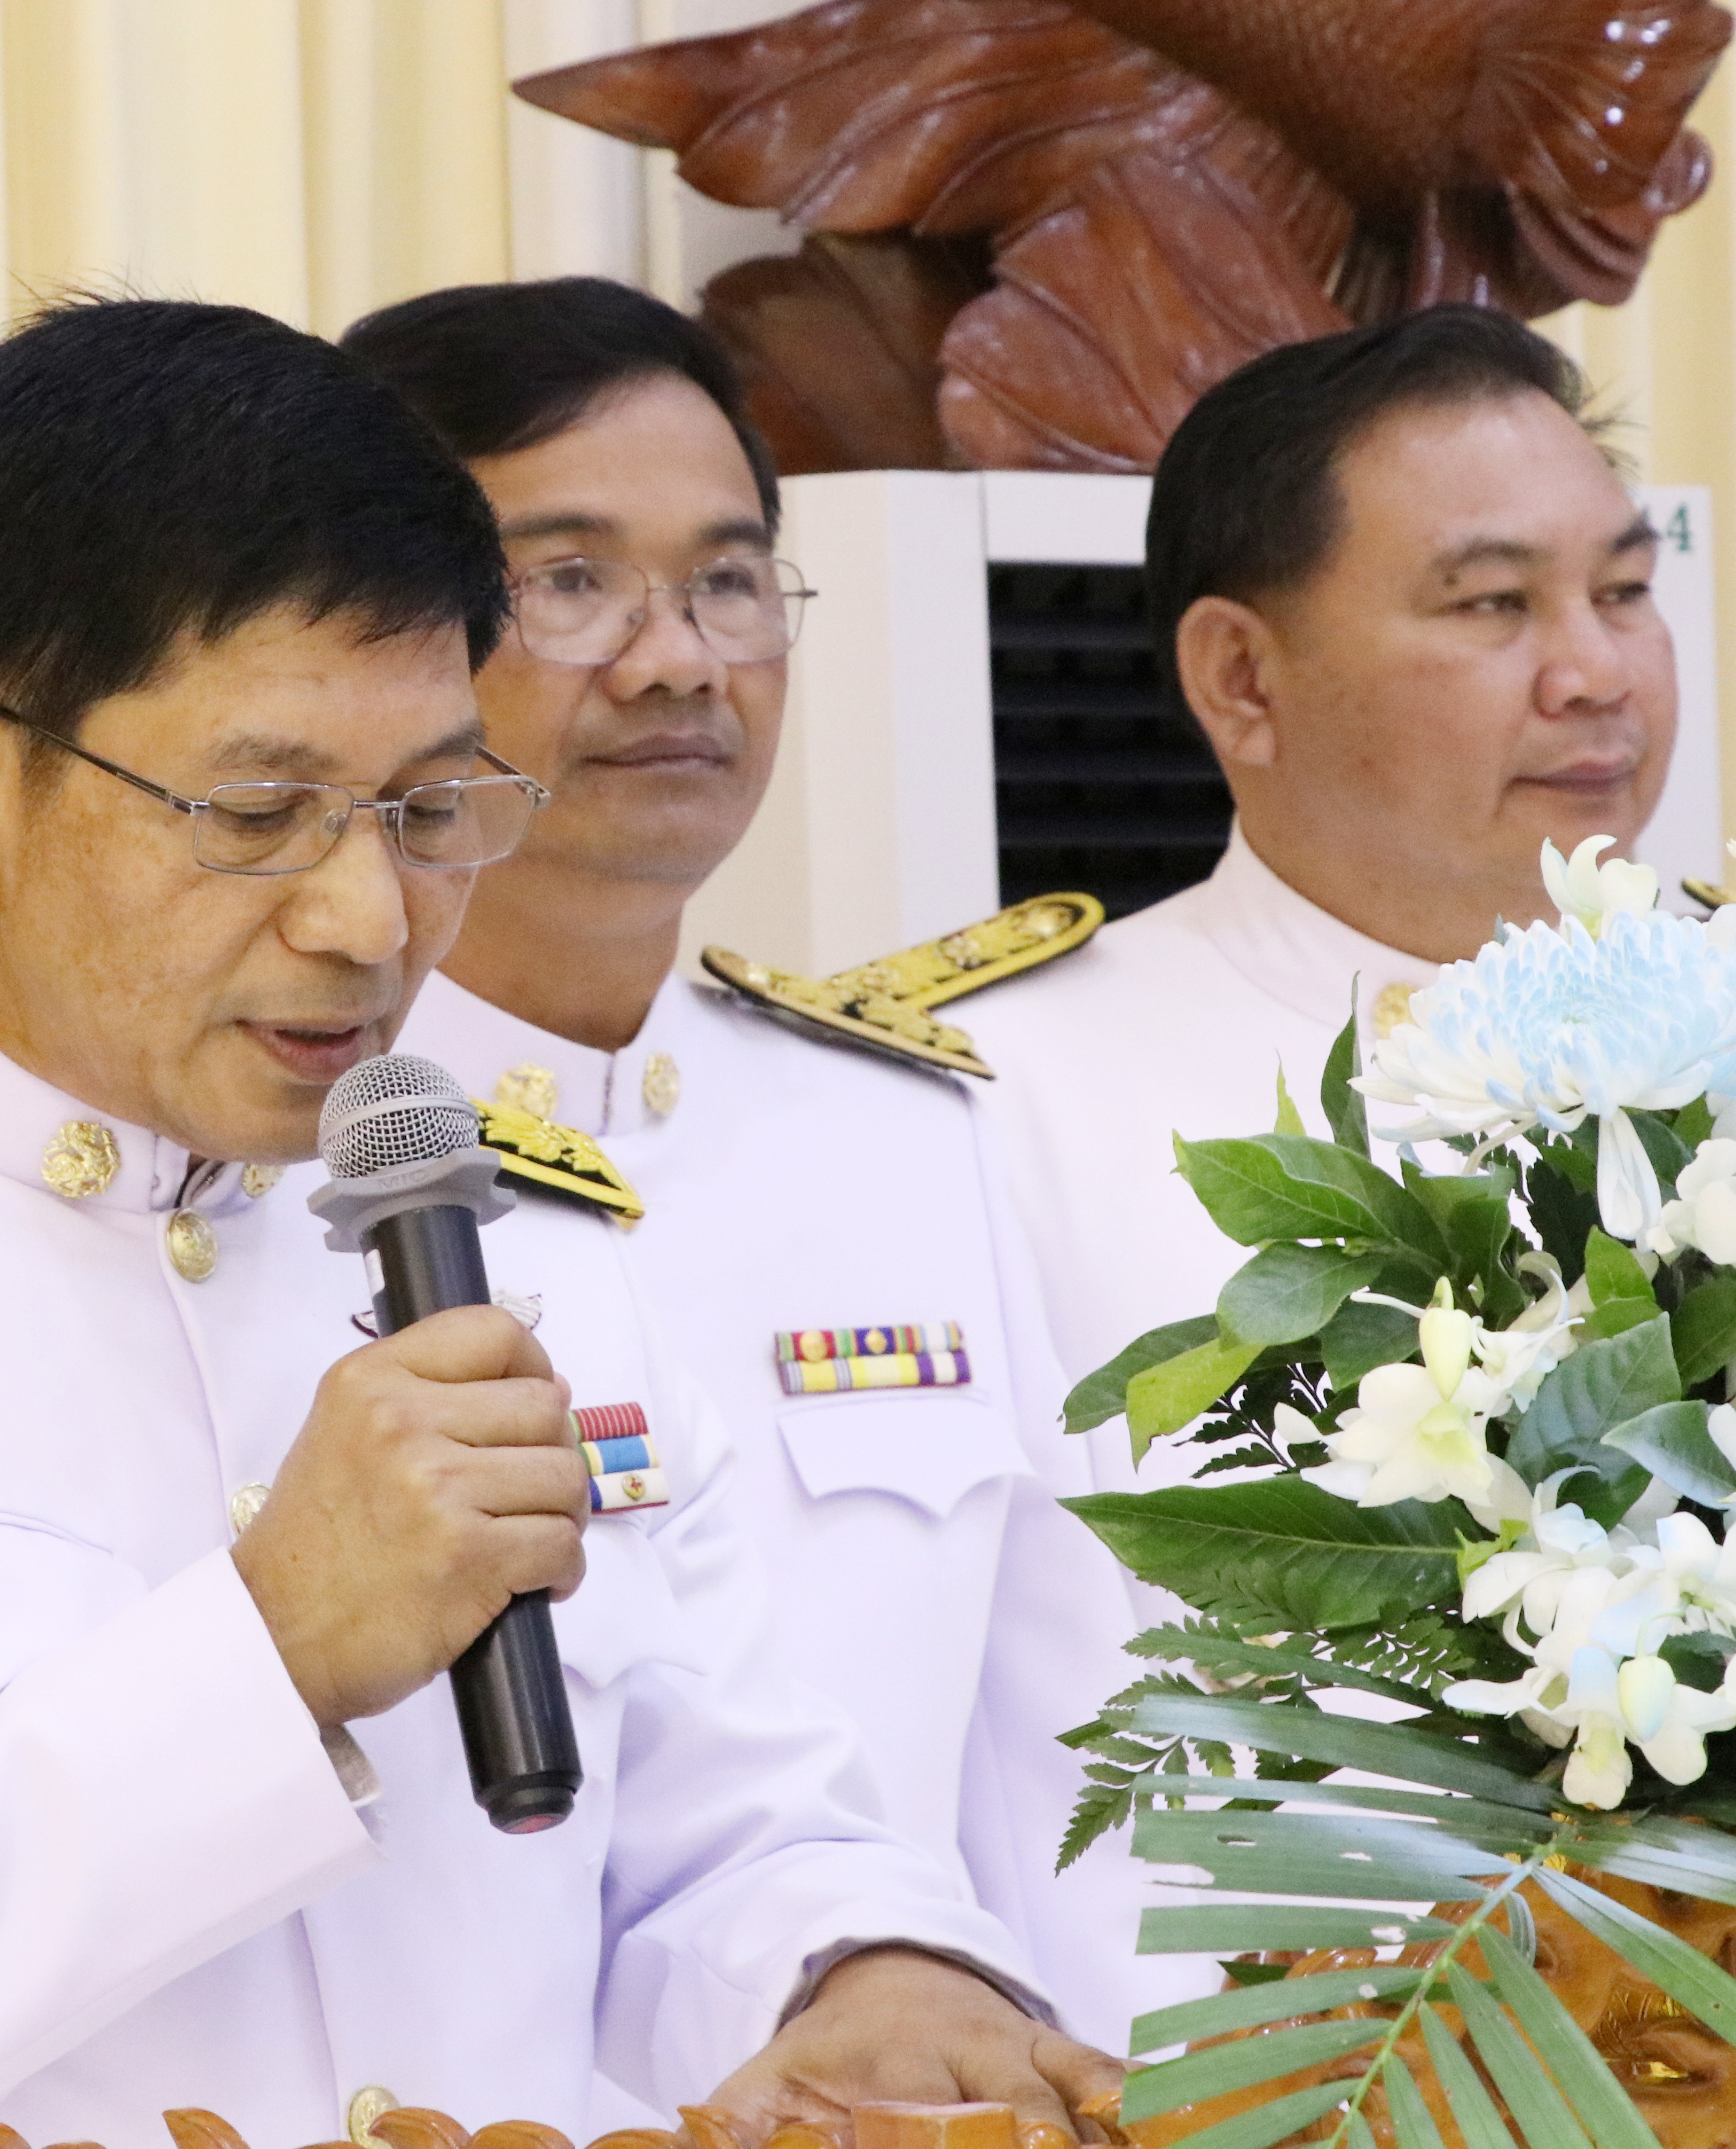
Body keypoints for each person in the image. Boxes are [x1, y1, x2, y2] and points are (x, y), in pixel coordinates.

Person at [0, 299, 1113, 2149]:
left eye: (434, 805)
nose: (370, 918)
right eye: (260, 811)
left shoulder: (523, 1238)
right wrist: (264, 1651)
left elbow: (709, 1823)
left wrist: (867, 1971)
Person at [338, 280, 1173, 2050]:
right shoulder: (279, 1162)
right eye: (568, 581)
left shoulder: (911, 1128)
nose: (677, 660)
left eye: (728, 580)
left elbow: (1068, 1753)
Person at [946, 306, 1677, 1391]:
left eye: (1622, 593)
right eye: (1493, 603)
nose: (1597, 675)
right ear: (1242, 678)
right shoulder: (998, 1102)